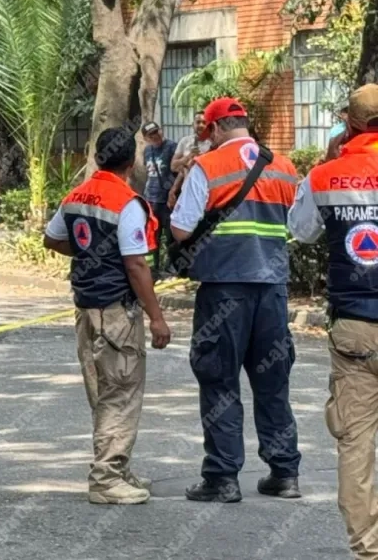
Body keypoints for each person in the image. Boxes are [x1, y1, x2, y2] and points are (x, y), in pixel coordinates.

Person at [170, 97, 301, 503]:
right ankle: (284, 474)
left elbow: (181, 229)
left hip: (223, 291)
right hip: (273, 290)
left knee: (219, 381)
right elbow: (299, 226)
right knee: (273, 383)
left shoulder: (208, 166)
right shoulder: (284, 166)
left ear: (214, 128)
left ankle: (223, 478)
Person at [44, 127, 172, 505]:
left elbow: (52, 239)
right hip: (116, 311)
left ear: (98, 158)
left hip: (85, 309)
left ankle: (118, 466)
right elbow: (135, 264)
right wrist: (157, 317)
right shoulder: (127, 203)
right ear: (131, 162)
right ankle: (106, 478)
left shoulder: (76, 196)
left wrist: (89, 252)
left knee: (103, 393)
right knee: (121, 392)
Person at [288, 84, 378, 557]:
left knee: (356, 442)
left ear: (351, 123)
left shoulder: (326, 175)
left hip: (355, 327)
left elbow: (300, 231)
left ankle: (368, 548)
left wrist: (327, 162)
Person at [141, 122, 177, 267]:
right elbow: (148, 173)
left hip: (167, 200)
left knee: (170, 236)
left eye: (157, 132)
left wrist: (173, 191)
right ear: (146, 138)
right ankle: (154, 267)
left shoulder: (172, 147)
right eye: (151, 134)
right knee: (153, 235)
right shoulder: (147, 151)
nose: (156, 136)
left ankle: (171, 266)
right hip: (151, 199)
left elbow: (177, 171)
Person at [168, 115, 213, 209]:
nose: (201, 125)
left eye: (204, 122)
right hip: (187, 192)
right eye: (198, 122)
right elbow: (174, 166)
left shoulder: (213, 143)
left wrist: (202, 158)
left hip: (207, 192)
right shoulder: (185, 141)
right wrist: (188, 157)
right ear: (193, 124)